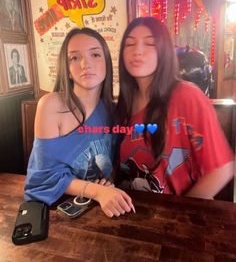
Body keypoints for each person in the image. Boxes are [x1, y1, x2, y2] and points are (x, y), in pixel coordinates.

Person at [116, 17, 234, 199]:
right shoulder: (124, 104)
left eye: (150, 43)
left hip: (176, 220)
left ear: (164, 51)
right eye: (129, 44)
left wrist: (180, 213)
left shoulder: (186, 96)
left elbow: (223, 169)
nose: (137, 51)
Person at [24, 27, 134, 218]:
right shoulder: (51, 106)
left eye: (95, 54)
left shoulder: (113, 112)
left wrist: (107, 184)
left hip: (95, 209)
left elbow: (113, 165)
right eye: (74, 58)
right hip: (53, 210)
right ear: (66, 68)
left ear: (107, 63)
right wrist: (97, 191)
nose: (86, 64)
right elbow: (44, 177)